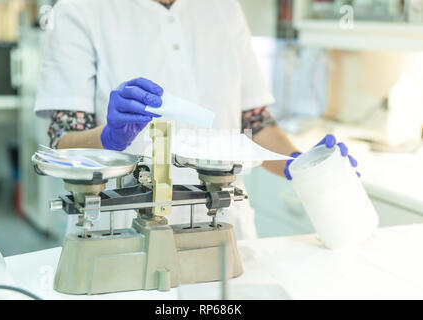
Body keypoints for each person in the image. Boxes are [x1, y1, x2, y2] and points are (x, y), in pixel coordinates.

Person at [35, 0, 358, 239]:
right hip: (118, 232)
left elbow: (255, 121)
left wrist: (300, 164)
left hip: (224, 227)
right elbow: (63, 141)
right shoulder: (78, 10)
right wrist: (109, 139)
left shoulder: (224, 8)